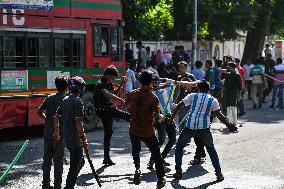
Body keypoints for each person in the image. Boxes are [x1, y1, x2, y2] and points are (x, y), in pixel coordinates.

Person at [167, 80, 237, 181]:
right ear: (208, 89)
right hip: (204, 127)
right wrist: (229, 125)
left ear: (198, 88)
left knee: (179, 146)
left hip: (190, 126)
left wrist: (171, 118)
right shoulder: (213, 100)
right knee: (211, 150)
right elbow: (219, 115)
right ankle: (218, 173)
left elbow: (179, 105)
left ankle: (178, 171)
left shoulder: (192, 96)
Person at [125, 70, 166, 188]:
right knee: (156, 154)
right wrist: (161, 117)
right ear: (152, 81)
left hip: (133, 128)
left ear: (139, 80)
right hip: (147, 130)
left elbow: (126, 105)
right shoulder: (153, 97)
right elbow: (157, 116)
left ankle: (137, 168)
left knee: (136, 150)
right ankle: (160, 179)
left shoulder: (133, 93)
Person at [53, 76, 88, 189]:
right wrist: (83, 139)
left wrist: (56, 131)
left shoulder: (65, 99)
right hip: (74, 138)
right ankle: (69, 186)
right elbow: (78, 122)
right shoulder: (78, 102)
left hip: (67, 137)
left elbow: (56, 116)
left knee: (80, 161)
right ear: (80, 89)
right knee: (75, 164)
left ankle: (69, 184)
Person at [93, 65, 131, 166]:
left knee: (108, 133)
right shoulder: (100, 84)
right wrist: (120, 100)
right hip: (103, 110)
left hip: (107, 110)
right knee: (127, 116)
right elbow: (107, 95)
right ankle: (138, 128)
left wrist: (122, 83)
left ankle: (106, 158)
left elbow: (113, 93)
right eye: (112, 77)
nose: (113, 79)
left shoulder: (108, 83)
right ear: (107, 75)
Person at [38, 76, 68, 189]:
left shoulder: (49, 98)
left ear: (56, 86)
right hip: (61, 133)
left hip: (48, 132)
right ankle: (57, 185)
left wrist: (47, 119)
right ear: (67, 87)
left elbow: (39, 112)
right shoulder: (67, 100)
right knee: (58, 160)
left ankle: (45, 185)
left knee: (46, 159)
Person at [147, 75, 176, 169]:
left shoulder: (165, 90)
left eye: (156, 82)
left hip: (169, 117)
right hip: (159, 119)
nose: (155, 84)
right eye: (153, 82)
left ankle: (161, 158)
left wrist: (174, 101)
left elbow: (176, 85)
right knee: (161, 140)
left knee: (172, 140)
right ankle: (152, 159)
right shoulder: (149, 93)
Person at [173, 61, 196, 131]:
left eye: (182, 67)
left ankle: (184, 136)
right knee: (181, 118)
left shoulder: (191, 77)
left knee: (185, 118)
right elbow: (177, 90)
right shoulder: (179, 77)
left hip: (189, 100)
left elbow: (195, 88)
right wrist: (174, 101)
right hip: (181, 100)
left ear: (186, 68)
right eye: (179, 67)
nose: (180, 69)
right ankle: (182, 135)